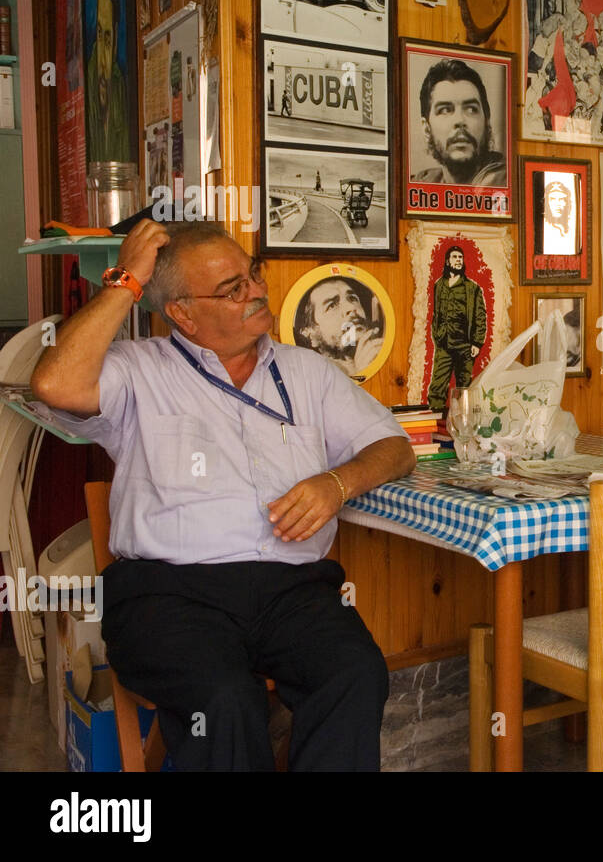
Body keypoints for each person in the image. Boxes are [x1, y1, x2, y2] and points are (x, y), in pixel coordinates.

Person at [28, 220, 415, 770]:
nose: (256, 290)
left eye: (251, 274)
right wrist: (127, 279)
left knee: (354, 674)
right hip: (168, 597)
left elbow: (394, 446)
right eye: (232, 288)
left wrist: (338, 483)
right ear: (182, 313)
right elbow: (54, 383)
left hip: (292, 591)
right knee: (225, 700)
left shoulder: (305, 372)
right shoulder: (139, 371)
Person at [412, 58, 507, 186]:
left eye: (471, 109)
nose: (460, 120)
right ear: (426, 129)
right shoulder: (421, 183)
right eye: (445, 110)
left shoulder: (509, 181)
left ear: (487, 122)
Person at [428, 245, 487, 413]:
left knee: (464, 388)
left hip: (465, 346)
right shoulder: (439, 285)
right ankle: (435, 424)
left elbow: (480, 316)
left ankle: (463, 424)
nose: (458, 260)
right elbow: (436, 313)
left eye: (460, 258)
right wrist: (437, 335)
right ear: (448, 261)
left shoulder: (472, 288)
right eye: (454, 257)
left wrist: (476, 342)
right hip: (444, 344)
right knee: (437, 386)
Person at [86, 0, 130, 164]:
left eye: (108, 36)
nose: (104, 52)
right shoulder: (88, 82)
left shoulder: (120, 88)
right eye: (99, 35)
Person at [296, 277, 384, 379]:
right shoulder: (310, 375)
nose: (351, 308)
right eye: (332, 305)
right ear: (310, 333)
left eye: (352, 298)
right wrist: (359, 373)